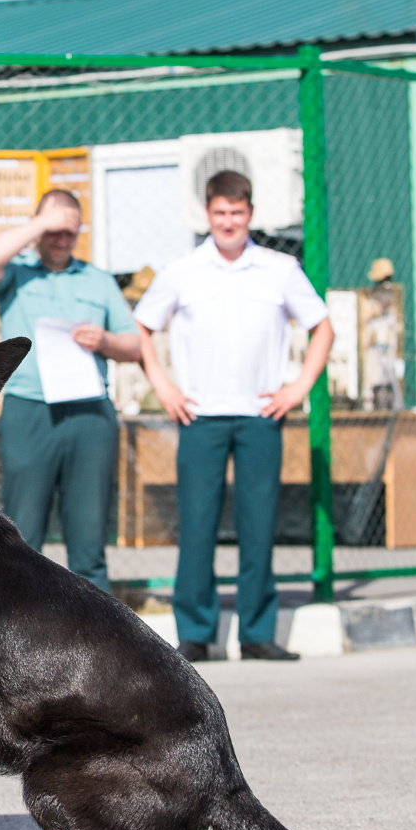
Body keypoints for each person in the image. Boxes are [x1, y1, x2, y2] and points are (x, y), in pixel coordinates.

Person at [133, 170, 333, 664]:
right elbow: (141, 328)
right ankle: (196, 634)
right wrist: (164, 386)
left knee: (258, 524)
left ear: (250, 215)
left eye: (237, 214)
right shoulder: (182, 270)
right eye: (220, 213)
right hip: (200, 417)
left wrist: (299, 387)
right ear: (208, 214)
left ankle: (258, 633)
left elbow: (322, 327)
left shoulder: (280, 269)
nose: (228, 222)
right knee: (197, 525)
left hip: (261, 416)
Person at [0, 189, 139, 592]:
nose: (62, 239)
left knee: (89, 536)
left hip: (89, 414)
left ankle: (98, 638)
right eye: (54, 230)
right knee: (23, 533)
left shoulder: (97, 281)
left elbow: (134, 346)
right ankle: (20, 631)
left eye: (70, 231)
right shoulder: (18, 274)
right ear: (39, 227)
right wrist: (43, 222)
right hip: (31, 412)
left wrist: (104, 341)